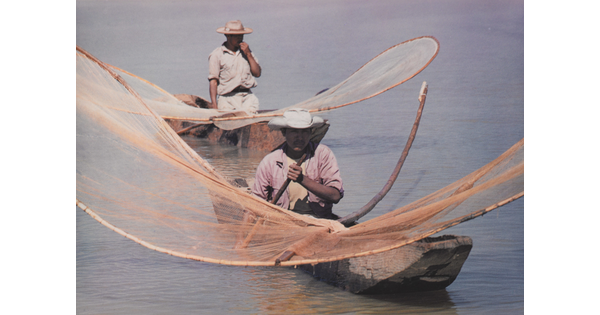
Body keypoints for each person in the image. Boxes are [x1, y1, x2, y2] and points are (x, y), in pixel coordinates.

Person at [252, 109, 344, 220]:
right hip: (283, 221)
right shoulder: (270, 161)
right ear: (284, 132)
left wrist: (302, 180)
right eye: (294, 131)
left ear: (310, 133)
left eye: (304, 131)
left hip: (319, 219)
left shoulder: (323, 154)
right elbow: (256, 203)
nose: (299, 137)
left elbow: (335, 196)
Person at [208, 20, 262, 114]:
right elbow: (213, 82)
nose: (240, 38)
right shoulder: (217, 55)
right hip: (227, 100)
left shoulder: (247, 52)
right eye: (236, 36)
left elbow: (257, 73)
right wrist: (214, 105)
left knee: (251, 124)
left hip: (247, 97)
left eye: (241, 35)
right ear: (228, 36)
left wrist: (248, 54)